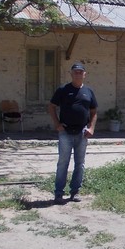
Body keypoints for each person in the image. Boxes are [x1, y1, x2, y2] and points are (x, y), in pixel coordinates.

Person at [48, 62, 98, 204]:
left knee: (80, 163)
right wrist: (57, 124)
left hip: (82, 132)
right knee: (63, 163)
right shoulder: (63, 90)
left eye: (80, 72)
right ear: (71, 74)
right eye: (75, 71)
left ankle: (75, 192)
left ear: (84, 74)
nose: (78, 74)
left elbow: (94, 111)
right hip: (66, 132)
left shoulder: (88, 92)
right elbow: (51, 107)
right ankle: (58, 193)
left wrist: (91, 128)